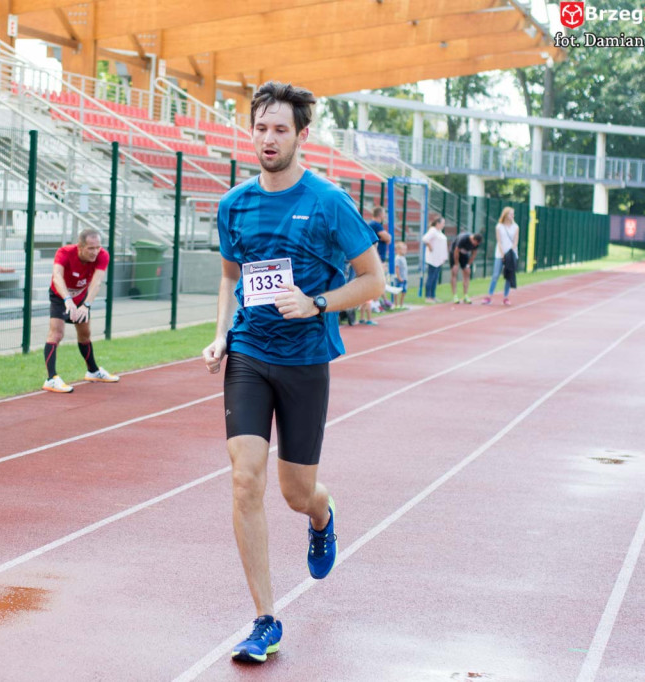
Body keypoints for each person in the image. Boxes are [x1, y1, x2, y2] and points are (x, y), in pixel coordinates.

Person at [201, 81, 384, 664]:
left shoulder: (329, 201)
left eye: (281, 128)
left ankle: (322, 514)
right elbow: (232, 277)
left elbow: (373, 281)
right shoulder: (234, 204)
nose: (269, 138)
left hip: (305, 360)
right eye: (261, 127)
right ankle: (264, 619)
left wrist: (319, 303)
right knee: (244, 478)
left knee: (295, 492)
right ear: (250, 131)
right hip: (250, 354)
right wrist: (220, 333)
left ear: (303, 136)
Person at [42, 228, 119, 393]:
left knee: (85, 334)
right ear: (80, 247)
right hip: (60, 296)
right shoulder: (64, 252)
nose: (95, 252)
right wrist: (67, 300)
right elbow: (57, 277)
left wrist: (86, 305)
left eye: (98, 247)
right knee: (56, 333)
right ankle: (51, 378)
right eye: (91, 248)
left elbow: (96, 282)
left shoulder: (103, 256)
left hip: (82, 298)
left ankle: (93, 371)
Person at [482, 207, 519, 306]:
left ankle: (506, 297)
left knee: (508, 276)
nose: (512, 216)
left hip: (511, 254)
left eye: (513, 214)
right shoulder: (499, 226)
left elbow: (515, 241)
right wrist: (503, 254)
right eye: (511, 214)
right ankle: (489, 296)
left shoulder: (515, 227)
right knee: (495, 275)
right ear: (506, 215)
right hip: (500, 254)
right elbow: (499, 241)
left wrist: (510, 252)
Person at [449, 231, 482, 304]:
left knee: (467, 272)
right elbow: (456, 251)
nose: (475, 245)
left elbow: (474, 254)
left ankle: (465, 295)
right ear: (473, 239)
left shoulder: (476, 244)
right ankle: (455, 296)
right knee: (454, 272)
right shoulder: (463, 239)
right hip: (454, 253)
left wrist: (468, 265)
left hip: (464, 254)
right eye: (475, 243)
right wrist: (456, 264)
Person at [421, 215, 447, 303]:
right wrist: (430, 246)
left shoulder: (439, 232)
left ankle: (433, 295)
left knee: (435, 278)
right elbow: (425, 239)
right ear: (438, 223)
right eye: (443, 223)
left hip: (439, 259)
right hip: (433, 259)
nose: (444, 225)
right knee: (431, 277)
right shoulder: (433, 231)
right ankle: (428, 296)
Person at [393, 241, 408, 309]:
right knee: (397, 291)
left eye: (405, 249)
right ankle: (396, 304)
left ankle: (401, 304)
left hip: (404, 278)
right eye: (403, 249)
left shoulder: (403, 257)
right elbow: (397, 268)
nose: (405, 251)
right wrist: (399, 277)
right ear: (398, 250)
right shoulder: (398, 258)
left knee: (404, 291)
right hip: (399, 278)